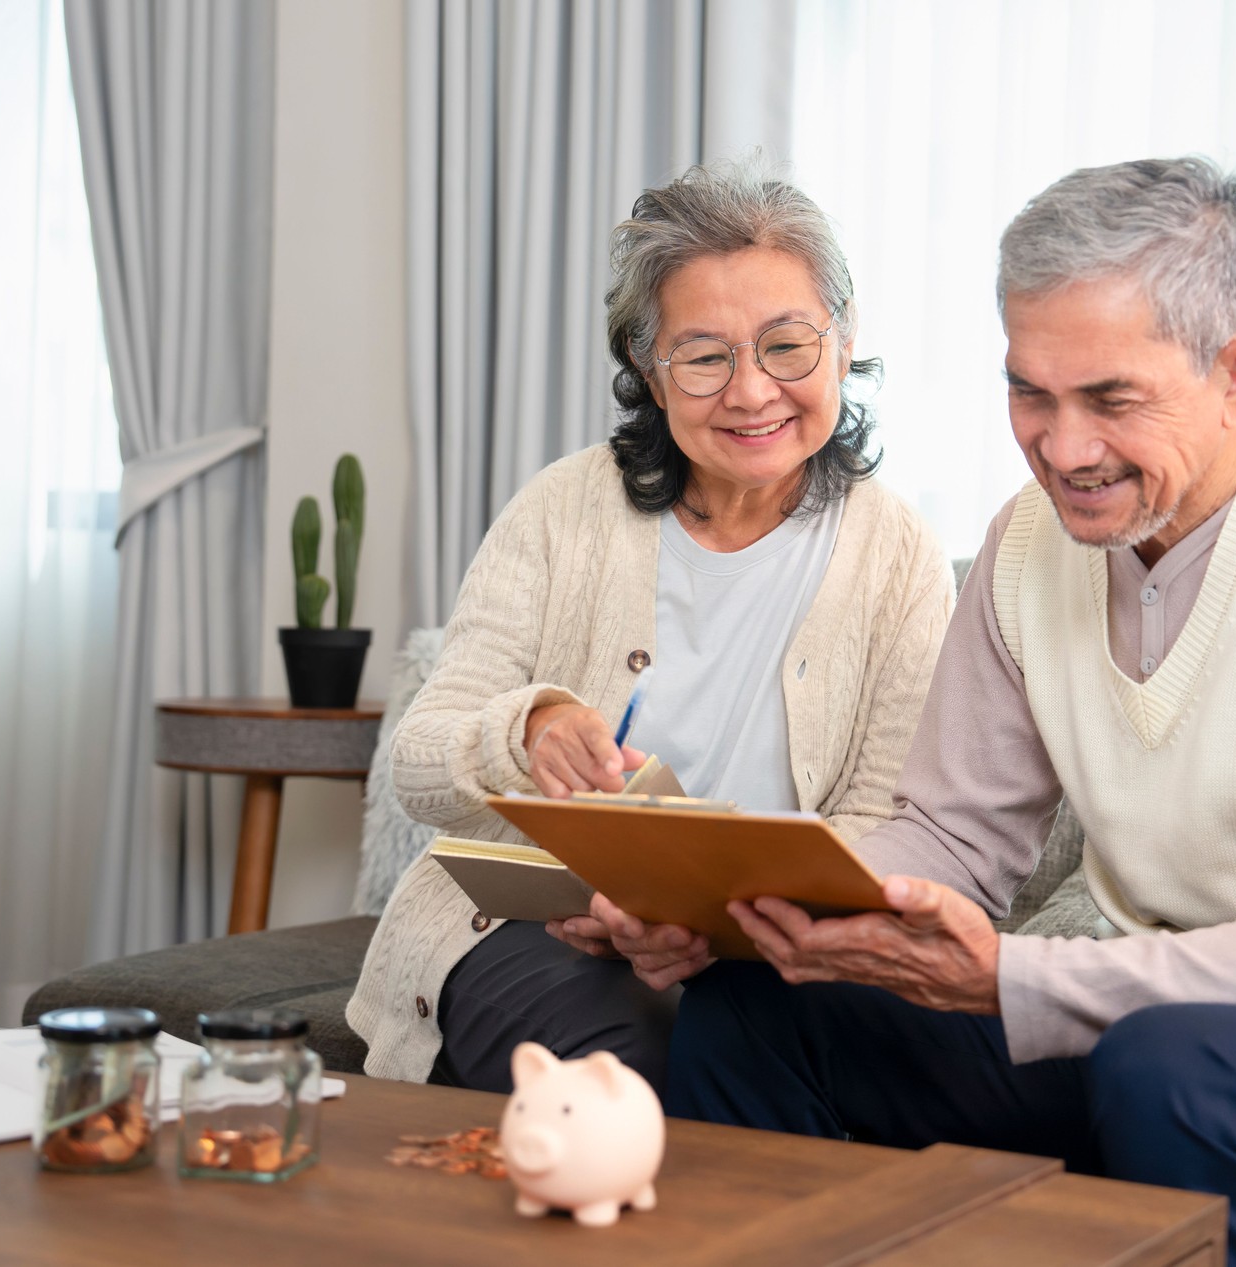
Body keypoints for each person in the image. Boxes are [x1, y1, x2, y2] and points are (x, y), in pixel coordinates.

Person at [656, 158, 1236, 1267]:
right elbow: (949, 839)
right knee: (759, 1004)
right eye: (1031, 392)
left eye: (1112, 399)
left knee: (1170, 1064)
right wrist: (745, 905)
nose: (1063, 449)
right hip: (1147, 1024)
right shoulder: (1025, 546)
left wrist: (1015, 978)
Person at [345, 160, 954, 1095]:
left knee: (762, 1057)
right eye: (706, 357)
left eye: (787, 345)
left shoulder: (900, 556)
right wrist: (530, 730)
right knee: (627, 1076)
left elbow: (880, 823)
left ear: (843, 340)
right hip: (523, 931)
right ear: (647, 368)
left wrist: (722, 928)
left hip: (763, 956)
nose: (752, 393)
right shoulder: (564, 510)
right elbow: (419, 761)